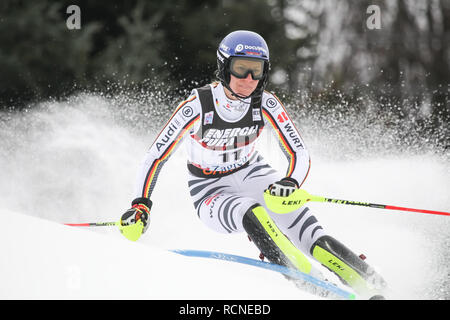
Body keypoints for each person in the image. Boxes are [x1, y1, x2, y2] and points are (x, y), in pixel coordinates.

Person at [119, 30, 387, 299]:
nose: (249, 79)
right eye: (241, 69)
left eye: (256, 71)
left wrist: (289, 182)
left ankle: (373, 284)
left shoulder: (266, 103)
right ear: (224, 67)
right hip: (210, 189)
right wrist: (141, 205)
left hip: (253, 174)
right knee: (250, 211)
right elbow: (155, 157)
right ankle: (315, 285)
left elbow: (298, 152)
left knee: (309, 231)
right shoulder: (198, 105)